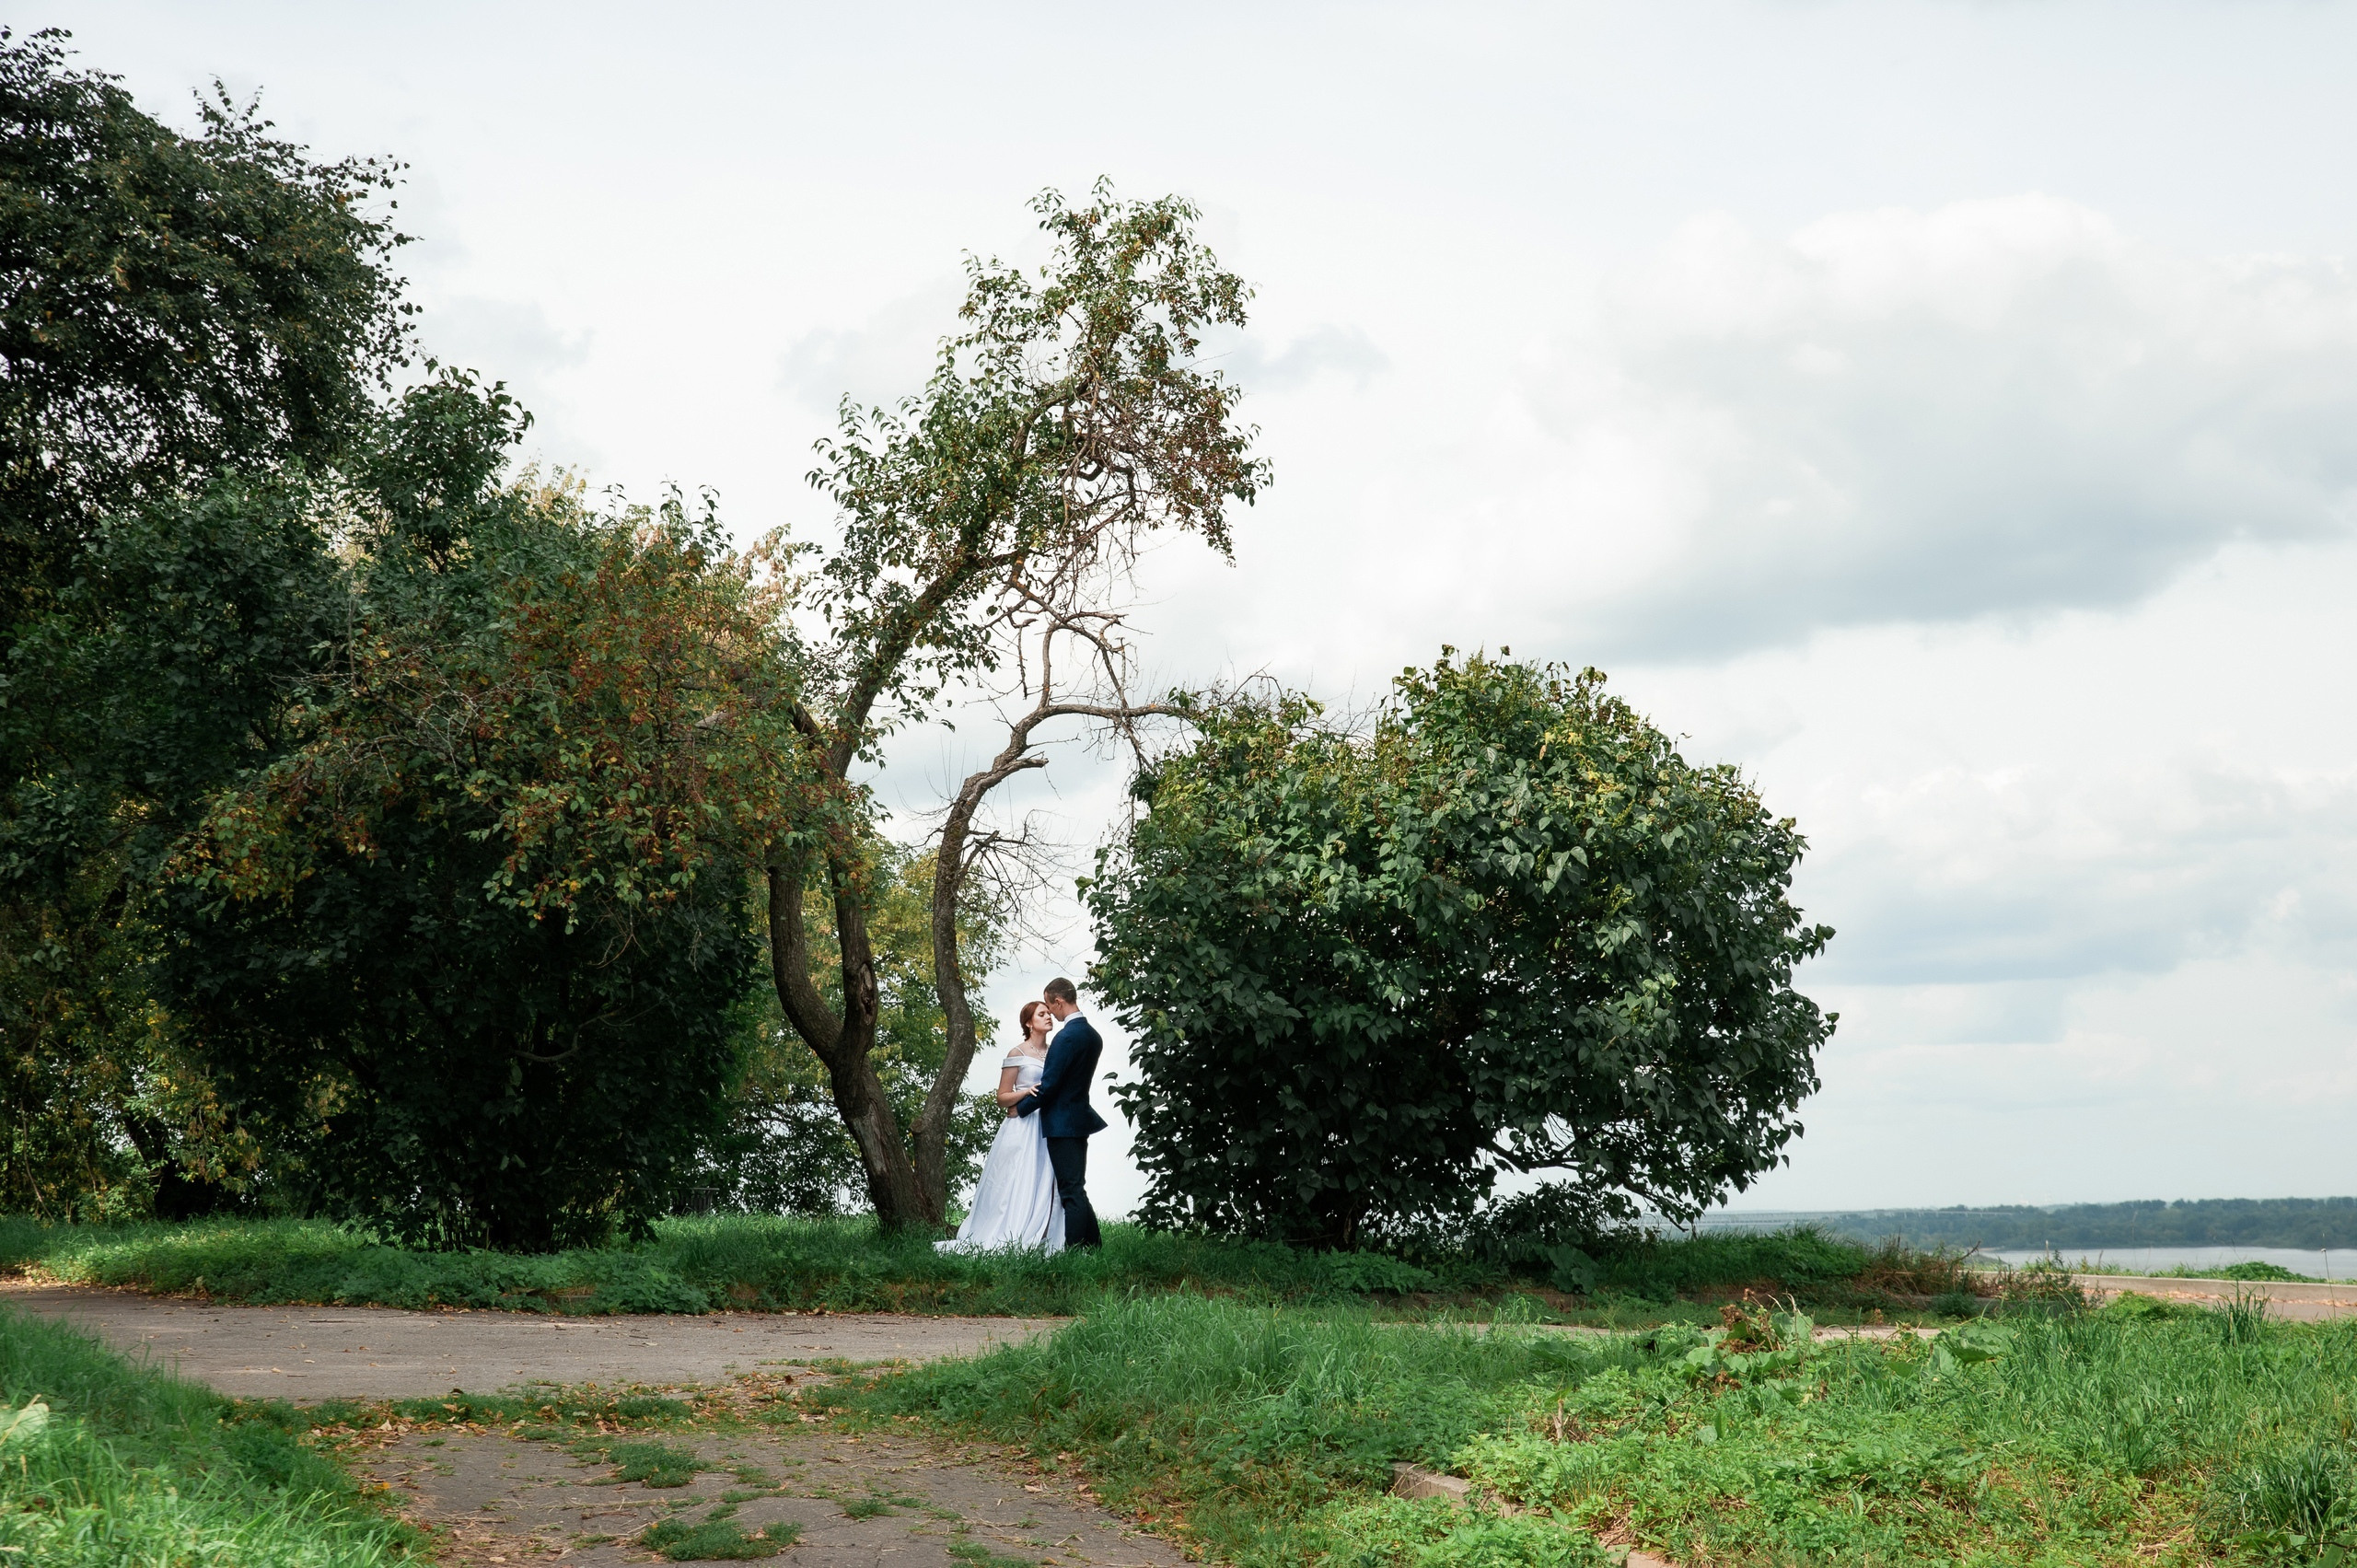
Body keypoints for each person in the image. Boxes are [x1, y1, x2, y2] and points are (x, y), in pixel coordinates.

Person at [935, 1002, 1065, 1254]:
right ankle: (1011, 1231)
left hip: (1048, 1123)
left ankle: (1044, 1235)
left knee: (1046, 1180)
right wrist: (1026, 1093)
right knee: (1017, 1178)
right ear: (1028, 1023)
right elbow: (1002, 1097)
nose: (1048, 1017)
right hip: (1022, 1125)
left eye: (1049, 1013)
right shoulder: (1017, 1052)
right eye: (1041, 1014)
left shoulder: (1054, 1052)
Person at [1013, 976, 1106, 1250]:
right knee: (1077, 1187)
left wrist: (1020, 1108)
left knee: (1070, 1191)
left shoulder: (1065, 1038)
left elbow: (1050, 1084)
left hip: (1062, 1123)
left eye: (1050, 1007)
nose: (1051, 1013)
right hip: (1079, 1118)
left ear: (1058, 1001)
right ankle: (1094, 1247)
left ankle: (1073, 1252)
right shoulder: (1093, 1036)